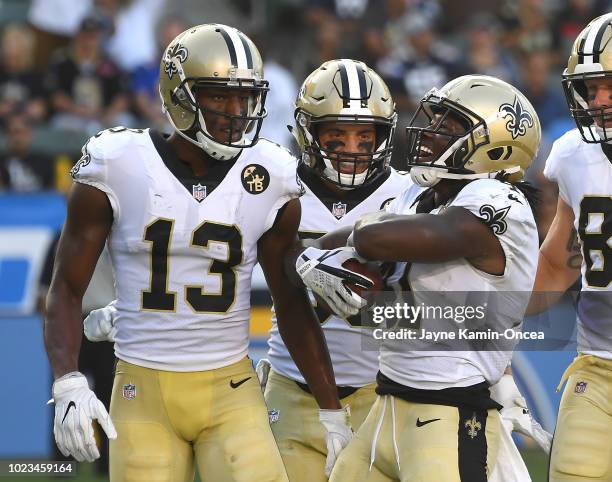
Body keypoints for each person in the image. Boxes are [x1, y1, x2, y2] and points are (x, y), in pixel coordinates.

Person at [44, 23, 350, 482]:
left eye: (244, 98)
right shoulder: (118, 162)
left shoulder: (271, 173)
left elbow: (290, 301)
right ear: (179, 96)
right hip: (141, 388)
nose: (235, 112)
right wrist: (68, 381)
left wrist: (331, 409)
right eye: (219, 97)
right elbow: (66, 287)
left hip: (232, 389)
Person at [294, 74, 543, 480]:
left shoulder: (501, 200)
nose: (430, 131)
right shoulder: (419, 194)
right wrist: (315, 256)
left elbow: (406, 235)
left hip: (449, 411)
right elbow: (358, 239)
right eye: (435, 119)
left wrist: (344, 241)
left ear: (495, 145)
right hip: (387, 401)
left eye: (449, 126)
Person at [262, 58, 410, 481]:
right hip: (291, 387)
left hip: (379, 391)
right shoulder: (277, 187)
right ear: (309, 132)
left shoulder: (407, 195)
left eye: (366, 135)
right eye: (337, 134)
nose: (352, 146)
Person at [528, 12, 612, 482]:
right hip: (599, 367)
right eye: (590, 87)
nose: (598, 101)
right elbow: (558, 266)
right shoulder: (574, 156)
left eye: (611, 86)